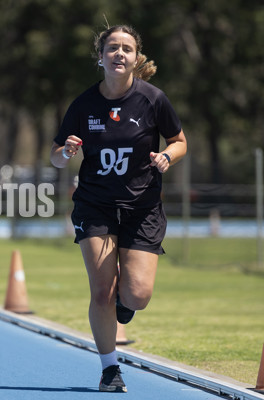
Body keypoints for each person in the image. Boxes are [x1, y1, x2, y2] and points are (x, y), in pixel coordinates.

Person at [50, 25, 187, 392]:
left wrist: (167, 157)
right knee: (101, 292)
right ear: (101, 57)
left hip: (142, 208)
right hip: (95, 206)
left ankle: (124, 307)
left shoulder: (154, 99)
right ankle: (110, 369)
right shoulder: (83, 105)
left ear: (135, 58)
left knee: (136, 295)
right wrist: (66, 152)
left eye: (127, 48)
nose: (119, 53)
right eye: (112, 47)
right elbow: (56, 156)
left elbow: (179, 140)